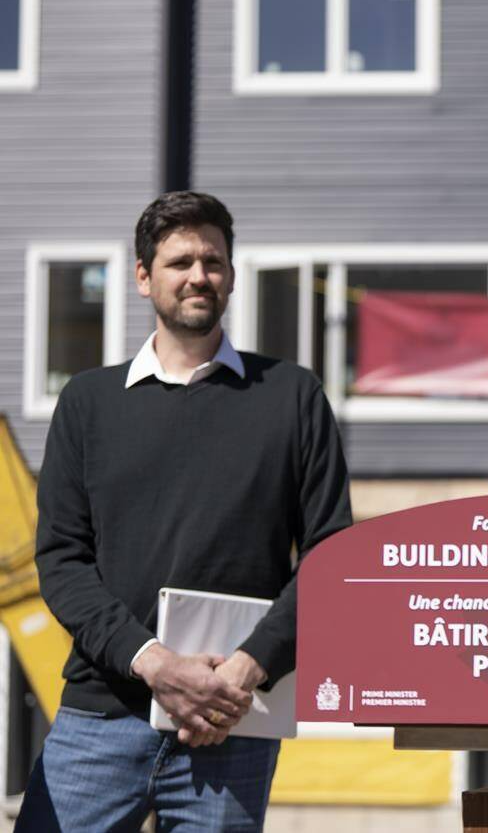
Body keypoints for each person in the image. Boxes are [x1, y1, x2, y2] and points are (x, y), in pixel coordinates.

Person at [20, 192, 352, 831]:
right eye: (180, 262)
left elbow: (330, 555)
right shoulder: (87, 404)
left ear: (230, 273)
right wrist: (156, 663)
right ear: (143, 277)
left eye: (213, 260)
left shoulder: (292, 397)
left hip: (234, 722)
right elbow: (60, 561)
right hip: (101, 717)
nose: (199, 275)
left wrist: (244, 671)